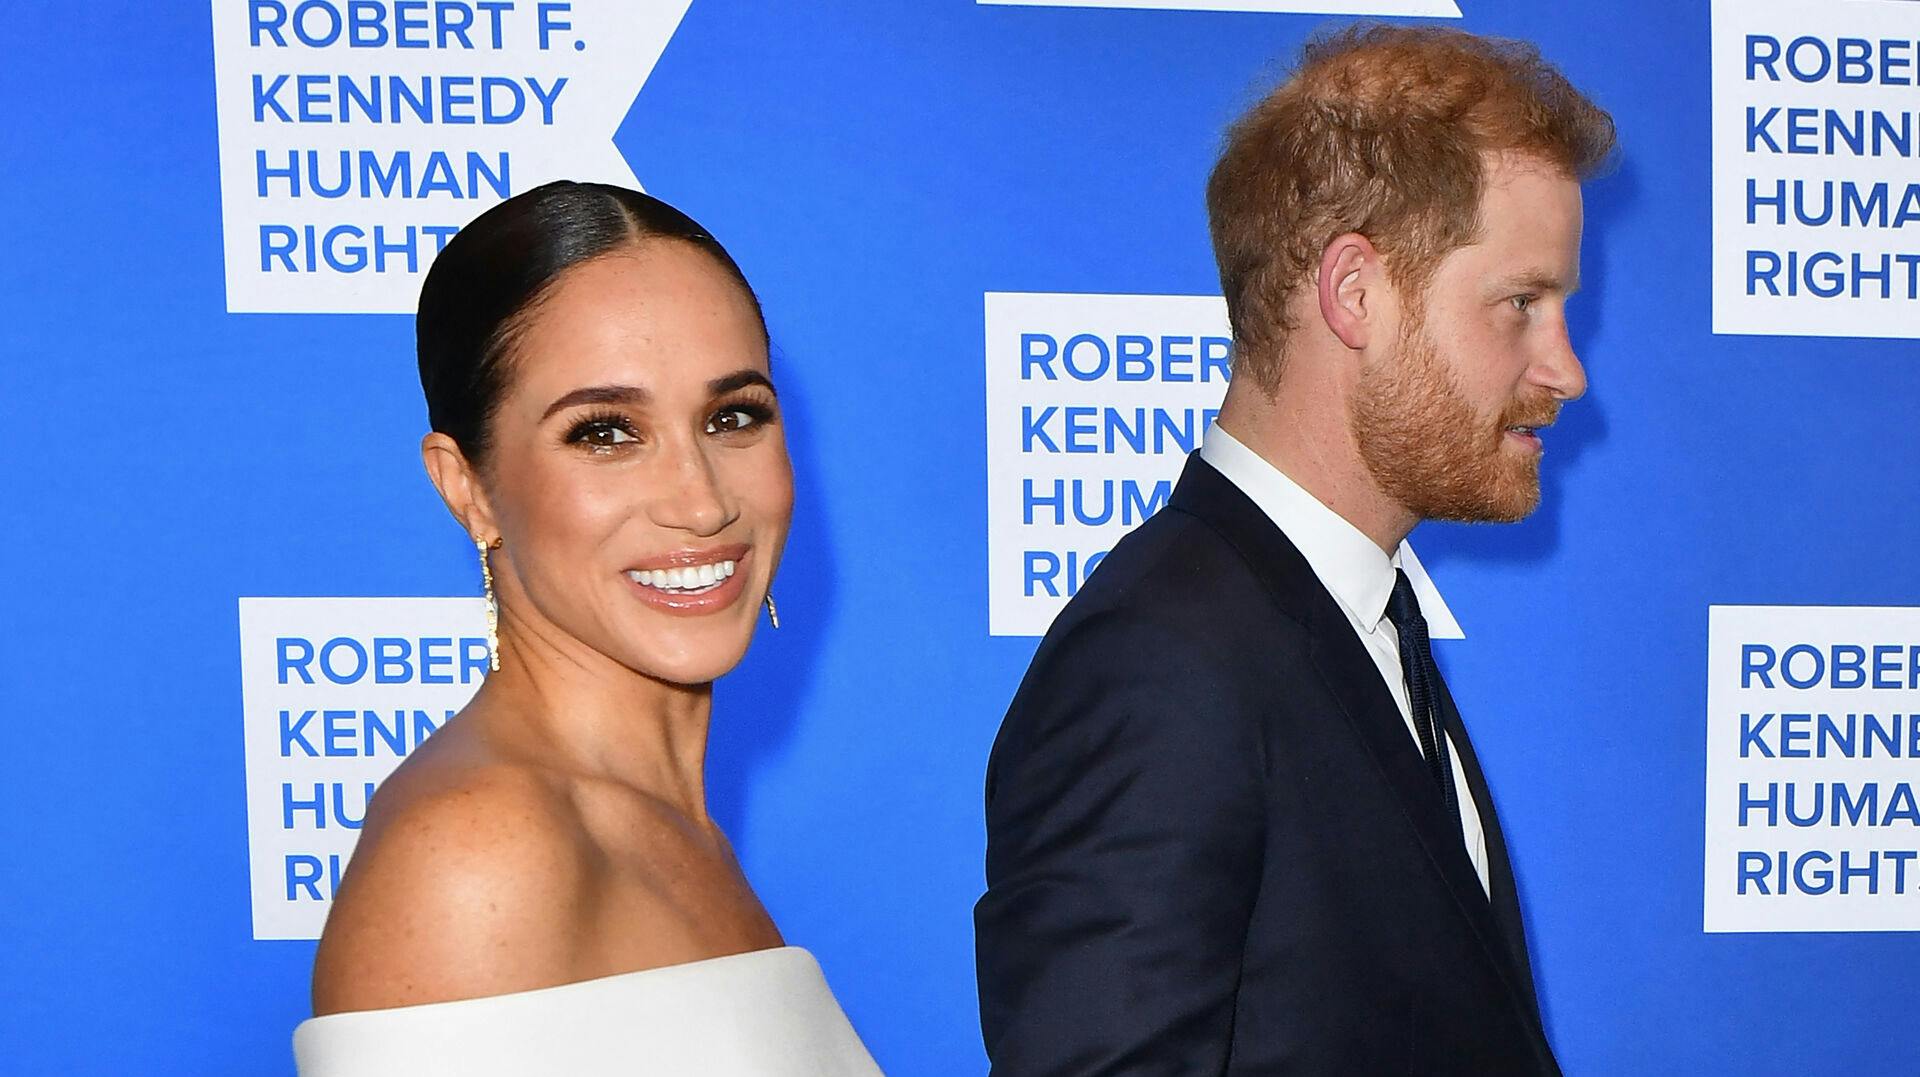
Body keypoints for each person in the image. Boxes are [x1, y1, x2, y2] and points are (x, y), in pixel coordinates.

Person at [975, 25, 1616, 1075]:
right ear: (1355, 292)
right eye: (1521, 304)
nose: (1566, 369)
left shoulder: (1351, 616)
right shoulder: (1158, 663)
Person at [295, 181, 882, 1076]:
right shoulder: (480, 853)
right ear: (469, 487)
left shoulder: (668, 830)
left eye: (733, 417)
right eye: (605, 432)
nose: (701, 501)